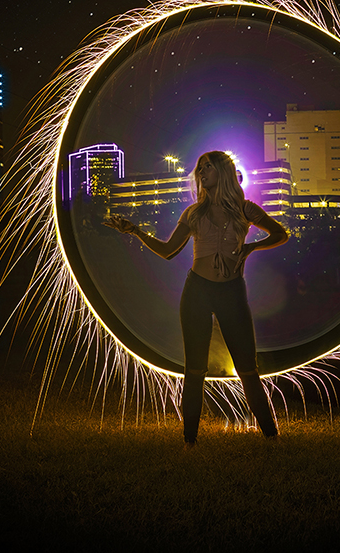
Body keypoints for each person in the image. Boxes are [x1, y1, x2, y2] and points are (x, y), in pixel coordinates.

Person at [104, 151, 288, 446]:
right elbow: (167, 251)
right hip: (197, 291)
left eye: (208, 168)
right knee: (195, 369)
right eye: (199, 169)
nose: (201, 172)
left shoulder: (245, 209)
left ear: (223, 173)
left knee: (247, 368)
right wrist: (135, 230)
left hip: (232, 291)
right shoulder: (193, 213)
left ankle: (271, 436)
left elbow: (280, 233)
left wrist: (251, 248)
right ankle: (190, 441)